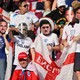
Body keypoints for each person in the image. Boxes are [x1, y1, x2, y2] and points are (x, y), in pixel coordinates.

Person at [62, 7, 80, 80]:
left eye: (71, 14)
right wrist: (65, 42)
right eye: (67, 15)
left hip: (78, 50)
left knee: (78, 70)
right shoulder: (66, 27)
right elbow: (63, 39)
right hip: (70, 51)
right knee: (70, 70)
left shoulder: (79, 25)